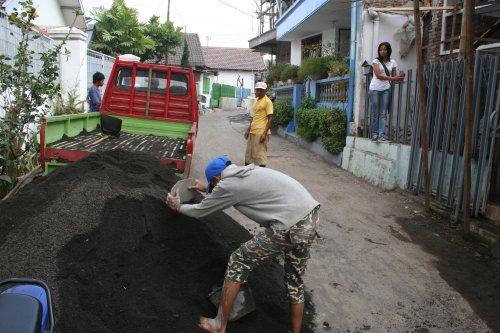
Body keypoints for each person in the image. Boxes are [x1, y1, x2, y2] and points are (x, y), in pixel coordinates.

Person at [166, 156, 320, 333]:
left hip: (289, 226)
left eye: (213, 184)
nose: (215, 188)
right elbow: (226, 191)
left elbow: (201, 210)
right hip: (310, 218)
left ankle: (218, 325)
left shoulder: (228, 185)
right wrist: (207, 188)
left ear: (217, 179)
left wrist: (178, 206)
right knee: (294, 280)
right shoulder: (245, 172)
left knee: (239, 261)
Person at [368, 42, 405, 143]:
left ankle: (382, 136)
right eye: (380, 49)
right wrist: (393, 78)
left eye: (384, 49)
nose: (382, 51)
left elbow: (395, 76)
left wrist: (400, 77)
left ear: (388, 50)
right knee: (375, 113)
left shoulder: (393, 62)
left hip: (386, 90)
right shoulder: (375, 61)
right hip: (374, 89)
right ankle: (375, 134)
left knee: (383, 114)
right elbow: (378, 75)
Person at [244, 82, 273, 167]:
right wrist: (248, 130)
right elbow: (254, 117)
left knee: (259, 156)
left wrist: (264, 133)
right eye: (257, 90)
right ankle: (248, 174)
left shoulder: (268, 102)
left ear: (265, 91)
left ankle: (261, 175)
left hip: (261, 132)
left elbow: (270, 118)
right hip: (253, 131)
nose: (259, 92)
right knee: (249, 154)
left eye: (261, 90)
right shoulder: (255, 100)